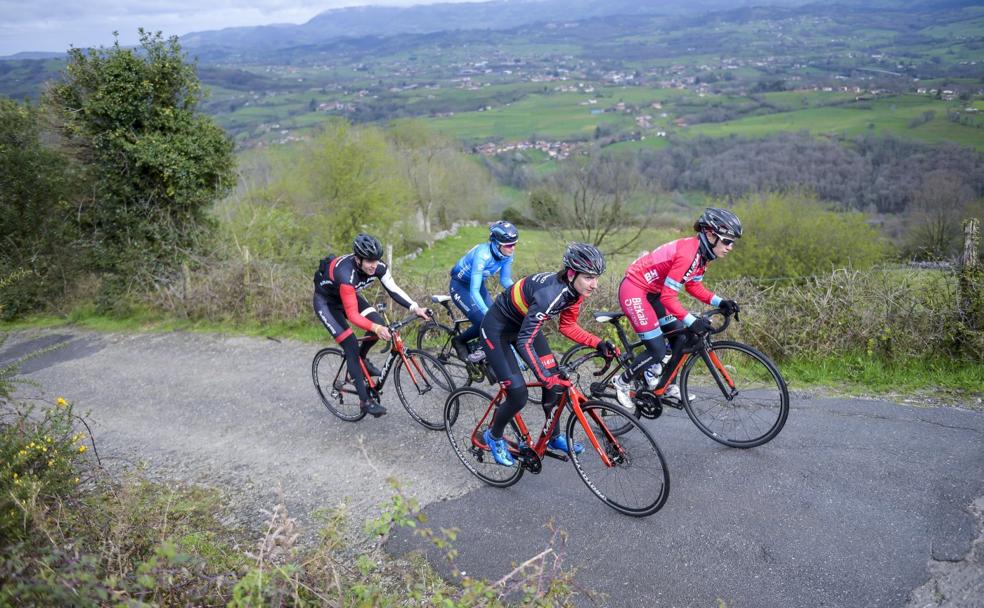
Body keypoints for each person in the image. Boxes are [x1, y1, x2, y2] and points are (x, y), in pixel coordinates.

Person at [479, 242, 618, 466]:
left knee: (555, 383)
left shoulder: (575, 291)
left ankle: (553, 438)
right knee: (518, 394)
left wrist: (598, 342)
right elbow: (524, 342)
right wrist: (543, 375)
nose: (595, 285)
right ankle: (493, 436)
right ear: (572, 273)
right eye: (589, 277)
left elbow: (567, 326)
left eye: (596, 277)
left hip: (524, 327)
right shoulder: (550, 295)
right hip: (498, 331)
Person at [612, 208, 742, 409]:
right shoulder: (689, 254)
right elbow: (668, 297)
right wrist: (692, 320)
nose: (730, 247)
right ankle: (621, 382)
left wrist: (720, 302)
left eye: (732, 242)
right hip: (635, 289)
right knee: (657, 349)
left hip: (653, 293)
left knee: (681, 337)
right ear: (710, 235)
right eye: (727, 241)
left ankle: (665, 382)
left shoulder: (702, 255)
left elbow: (693, 285)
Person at [313, 233, 430, 417]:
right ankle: (365, 401)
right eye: (369, 261)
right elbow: (352, 315)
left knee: (379, 323)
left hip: (349, 297)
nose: (373, 265)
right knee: (351, 344)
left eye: (376, 260)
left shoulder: (378, 267)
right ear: (358, 259)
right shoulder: (346, 274)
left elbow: (394, 289)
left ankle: (362, 361)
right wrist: (376, 329)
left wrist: (415, 307)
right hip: (327, 303)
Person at [448, 220, 518, 360]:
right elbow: (473, 291)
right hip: (460, 287)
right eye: (509, 245)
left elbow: (505, 280)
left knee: (498, 319)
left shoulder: (507, 255)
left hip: (478, 285)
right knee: (485, 320)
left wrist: (521, 292)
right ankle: (459, 341)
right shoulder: (482, 255)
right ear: (497, 244)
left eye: (515, 244)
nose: (513, 248)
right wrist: (487, 313)